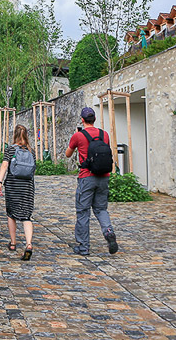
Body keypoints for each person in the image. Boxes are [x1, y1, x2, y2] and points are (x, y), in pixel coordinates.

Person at [65, 106, 119, 256]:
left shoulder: (78, 136)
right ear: (94, 119)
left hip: (86, 176)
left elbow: (68, 154)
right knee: (101, 209)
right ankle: (108, 232)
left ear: (82, 120)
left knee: (83, 212)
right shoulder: (105, 134)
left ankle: (83, 247)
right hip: (104, 176)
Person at [0, 124, 35, 260]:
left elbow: (5, 165)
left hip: (13, 185)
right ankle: (29, 244)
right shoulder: (32, 151)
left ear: (15, 135)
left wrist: (0, 182)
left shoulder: (10, 150)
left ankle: (13, 243)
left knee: (11, 214)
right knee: (26, 216)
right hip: (27, 187)